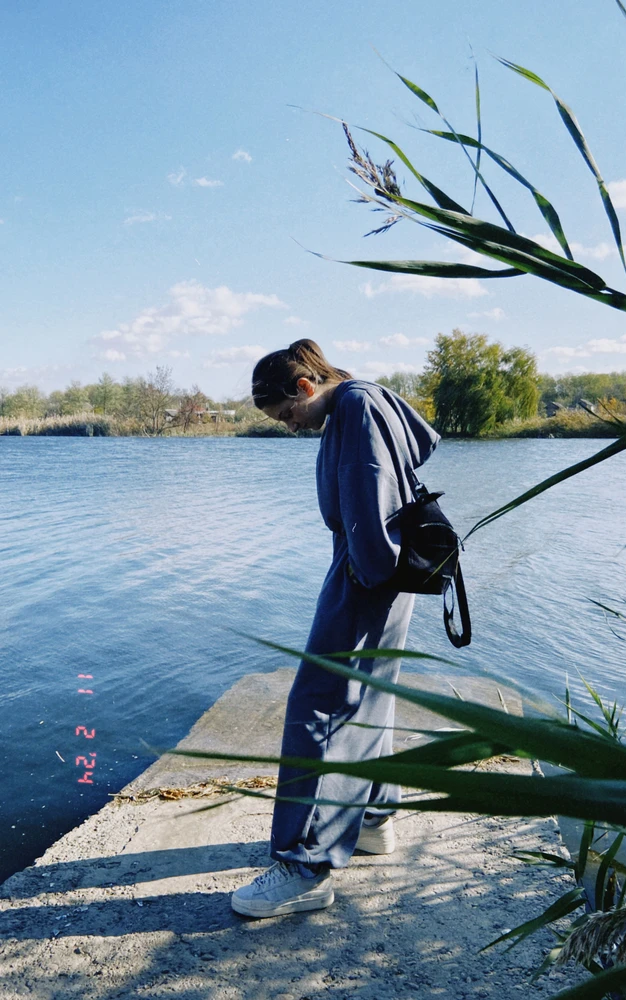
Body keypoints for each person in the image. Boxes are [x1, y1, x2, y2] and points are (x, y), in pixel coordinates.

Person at [231, 339, 439, 918]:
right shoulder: (365, 402)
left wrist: (363, 578)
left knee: (319, 704)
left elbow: (369, 492)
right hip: (381, 574)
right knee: (369, 695)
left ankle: (305, 866)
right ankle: (372, 819)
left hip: (367, 574)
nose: (290, 426)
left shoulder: (354, 407)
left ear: (304, 387)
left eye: (287, 414)